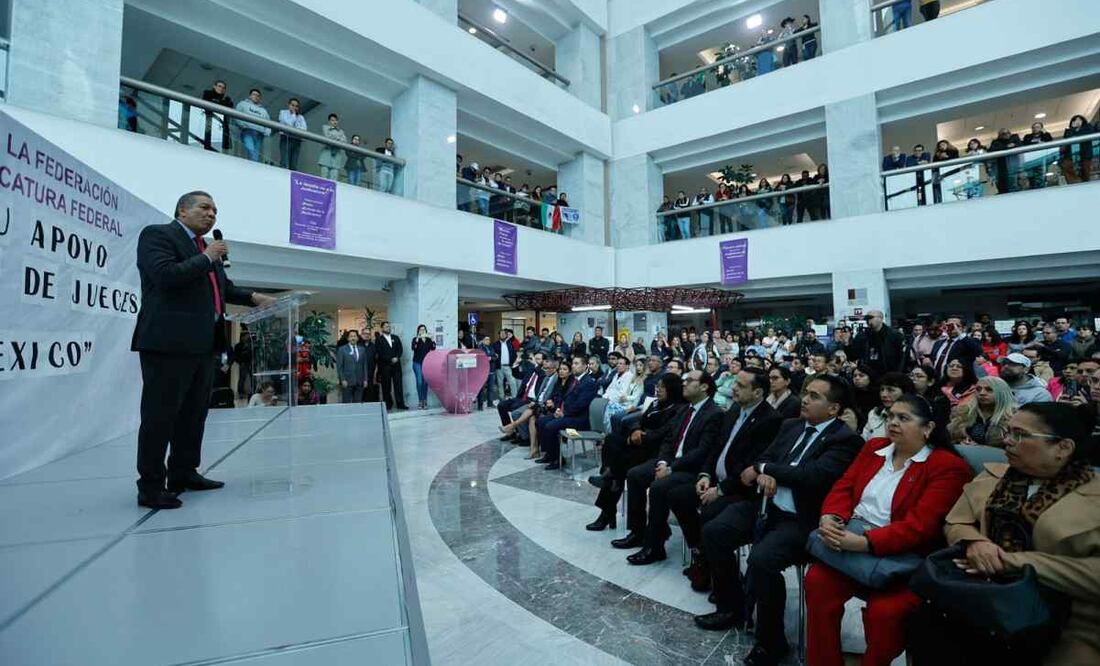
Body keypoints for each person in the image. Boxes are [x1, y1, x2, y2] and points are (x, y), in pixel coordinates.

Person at [910, 402, 1099, 666]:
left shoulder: (1093, 497)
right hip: (979, 598)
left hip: (1064, 619)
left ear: (1063, 447)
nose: (1007, 441)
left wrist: (1009, 562)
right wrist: (975, 542)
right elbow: (957, 522)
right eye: (1008, 432)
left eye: (1020, 435)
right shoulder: (993, 477)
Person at [693, 375, 863, 666]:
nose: (804, 399)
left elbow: (812, 476)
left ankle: (771, 642)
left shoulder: (845, 440)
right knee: (714, 531)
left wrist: (766, 469)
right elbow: (764, 458)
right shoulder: (791, 426)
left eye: (814, 396)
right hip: (765, 505)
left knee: (762, 561)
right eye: (805, 392)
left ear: (834, 408)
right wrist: (764, 471)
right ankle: (731, 606)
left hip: (801, 519)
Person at [131, 191, 277, 509]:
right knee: (160, 415)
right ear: (182, 210)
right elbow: (165, 276)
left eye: (215, 211)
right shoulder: (158, 235)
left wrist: (254, 297)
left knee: (194, 414)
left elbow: (222, 289)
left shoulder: (203, 248)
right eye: (205, 207)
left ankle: (183, 472)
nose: (212, 214)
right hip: (168, 343)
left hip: (203, 344)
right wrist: (208, 256)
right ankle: (150, 486)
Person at [806, 394, 970, 666]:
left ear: (928, 428)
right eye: (890, 416)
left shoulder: (947, 466)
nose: (893, 422)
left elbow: (921, 526)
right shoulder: (875, 447)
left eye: (903, 418)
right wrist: (830, 517)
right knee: (817, 581)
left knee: (885, 613)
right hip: (851, 540)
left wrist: (864, 543)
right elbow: (844, 486)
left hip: (903, 560)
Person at [673, 368, 785, 590]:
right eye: (735, 383)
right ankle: (701, 553)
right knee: (677, 496)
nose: (733, 388)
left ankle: (720, 574)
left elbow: (751, 467)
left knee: (710, 515)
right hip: (716, 480)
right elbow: (716, 447)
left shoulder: (770, 419)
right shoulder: (735, 409)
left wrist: (720, 490)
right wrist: (705, 474)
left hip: (740, 490)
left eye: (741, 386)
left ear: (758, 392)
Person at [613, 370, 724, 564]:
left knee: (659, 487)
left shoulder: (714, 413)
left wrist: (671, 469)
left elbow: (703, 451)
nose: (684, 383)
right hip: (671, 461)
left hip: (691, 469)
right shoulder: (685, 409)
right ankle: (637, 532)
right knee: (635, 474)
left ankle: (654, 546)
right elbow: (669, 439)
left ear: (704, 386)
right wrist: (663, 462)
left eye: (689, 380)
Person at [588, 373, 687, 530]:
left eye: (662, 387)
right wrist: (635, 431)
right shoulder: (655, 403)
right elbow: (639, 420)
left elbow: (666, 433)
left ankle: (607, 510)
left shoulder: (679, 408)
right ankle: (608, 473)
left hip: (656, 450)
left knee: (619, 467)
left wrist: (642, 437)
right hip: (640, 445)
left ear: (672, 389)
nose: (658, 389)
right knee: (612, 440)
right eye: (657, 386)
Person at [534, 356, 598, 470]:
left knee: (550, 426)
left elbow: (581, 404)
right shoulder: (575, 380)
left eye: (577, 363)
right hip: (569, 414)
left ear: (585, 366)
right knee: (541, 421)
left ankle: (558, 459)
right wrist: (558, 410)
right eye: (573, 363)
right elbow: (566, 399)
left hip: (580, 419)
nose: (573, 366)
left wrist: (564, 413)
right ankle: (549, 454)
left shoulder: (588, 382)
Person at [947, 376, 1016, 447]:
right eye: (978, 389)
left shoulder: (1015, 417)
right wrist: (959, 442)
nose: (982, 393)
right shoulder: (961, 412)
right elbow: (948, 438)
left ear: (1002, 393)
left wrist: (980, 448)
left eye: (989, 390)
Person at [862, 372, 915, 441]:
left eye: (890, 390)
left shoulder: (915, 417)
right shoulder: (874, 414)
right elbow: (865, 440)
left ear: (905, 392)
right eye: (882, 390)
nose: (883, 395)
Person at [849, 310, 905, 375]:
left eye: (871, 318)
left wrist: (898, 372)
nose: (868, 321)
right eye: (867, 319)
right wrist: (847, 344)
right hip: (868, 372)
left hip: (889, 372)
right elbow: (854, 354)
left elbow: (901, 357)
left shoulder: (894, 335)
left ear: (880, 318)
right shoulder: (863, 335)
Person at [374, 321, 407, 410]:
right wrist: (389, 359)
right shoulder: (379, 339)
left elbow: (400, 349)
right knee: (386, 386)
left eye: (389, 326)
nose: (388, 328)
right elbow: (379, 352)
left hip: (396, 366)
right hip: (385, 366)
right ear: (382, 328)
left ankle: (400, 404)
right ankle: (388, 405)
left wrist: (397, 357)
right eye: (386, 326)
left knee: (398, 385)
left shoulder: (395, 337)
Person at [233, 89, 271, 162]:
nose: (256, 96)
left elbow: (269, 123)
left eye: (258, 96)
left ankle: (253, 165)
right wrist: (243, 125)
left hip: (259, 134)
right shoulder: (242, 104)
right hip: (247, 131)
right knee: (250, 149)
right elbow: (236, 115)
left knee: (256, 153)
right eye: (254, 94)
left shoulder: (263, 110)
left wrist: (266, 132)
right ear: (250, 96)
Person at [337, 329, 370, 404]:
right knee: (346, 403)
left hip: (360, 381)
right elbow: (339, 367)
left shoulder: (362, 349)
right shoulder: (342, 349)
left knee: (358, 403)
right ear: (348, 338)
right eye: (351, 336)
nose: (353, 338)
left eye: (355, 336)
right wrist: (342, 379)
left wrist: (365, 379)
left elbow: (364, 366)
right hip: (347, 381)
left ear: (357, 338)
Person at [1061, 114, 1095, 184]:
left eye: (1079, 120)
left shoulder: (1088, 127)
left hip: (1085, 154)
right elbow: (1067, 140)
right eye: (1075, 120)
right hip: (1070, 156)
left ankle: (1085, 185)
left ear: (1083, 121)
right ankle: (1075, 184)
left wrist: (1077, 131)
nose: (1077, 121)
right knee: (1067, 168)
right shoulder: (1068, 131)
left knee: (1085, 172)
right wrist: (1072, 129)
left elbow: (1087, 135)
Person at [201, 80, 233, 151]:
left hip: (221, 124)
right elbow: (207, 104)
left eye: (223, 88)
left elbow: (230, 108)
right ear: (214, 86)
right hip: (209, 120)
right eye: (219, 86)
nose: (221, 89)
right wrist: (222, 102)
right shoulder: (208, 93)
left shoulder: (227, 99)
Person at [277, 98, 307, 171]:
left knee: (294, 164)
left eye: (296, 106)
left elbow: (304, 129)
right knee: (285, 162)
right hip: (286, 138)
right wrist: (293, 115)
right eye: (292, 105)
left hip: (297, 140)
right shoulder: (283, 112)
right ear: (288, 105)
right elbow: (289, 124)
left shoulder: (301, 117)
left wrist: (295, 128)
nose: (294, 107)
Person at [411, 324, 436, 409]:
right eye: (421, 330)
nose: (422, 331)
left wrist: (432, 340)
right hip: (417, 363)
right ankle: (420, 401)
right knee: (419, 382)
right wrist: (417, 339)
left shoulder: (428, 340)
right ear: (418, 331)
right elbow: (413, 348)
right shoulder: (415, 339)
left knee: (425, 382)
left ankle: (425, 401)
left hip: (426, 363)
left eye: (424, 329)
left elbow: (433, 348)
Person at [318, 113, 347, 181]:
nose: (334, 122)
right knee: (323, 178)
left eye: (336, 120)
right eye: (332, 120)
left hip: (336, 157)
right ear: (329, 121)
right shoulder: (325, 127)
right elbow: (328, 136)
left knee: (333, 180)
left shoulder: (341, 131)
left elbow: (344, 141)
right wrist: (339, 137)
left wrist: (335, 137)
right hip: (326, 155)